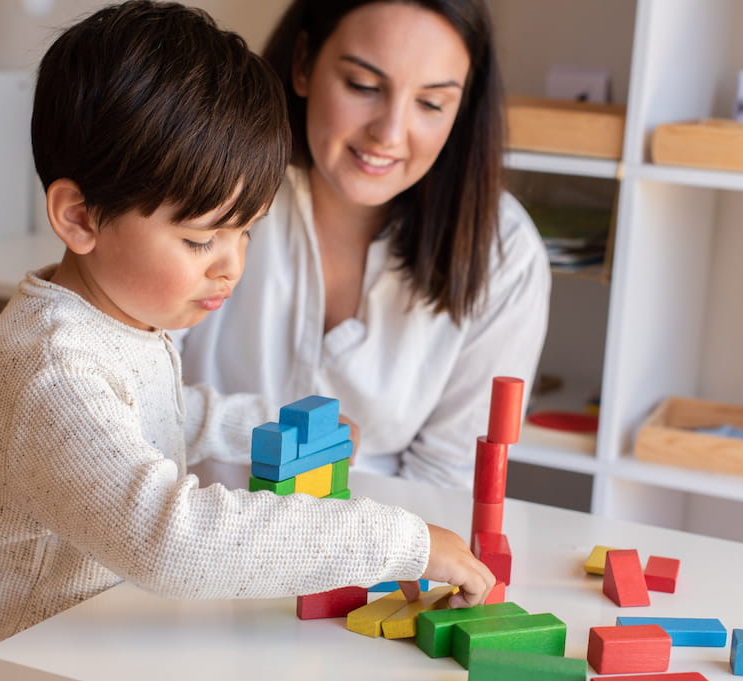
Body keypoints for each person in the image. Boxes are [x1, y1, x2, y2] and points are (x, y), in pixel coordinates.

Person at [0, 0, 549, 667]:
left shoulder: (123, 320)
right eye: (202, 239)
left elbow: (164, 409)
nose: (231, 265)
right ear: (78, 216)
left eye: (246, 232)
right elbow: (168, 537)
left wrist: (266, 424)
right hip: (22, 676)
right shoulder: (56, 363)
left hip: (102, 635)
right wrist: (396, 540)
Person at [177, 0, 550, 490]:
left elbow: (447, 477)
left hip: (375, 552)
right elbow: (130, 390)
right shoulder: (207, 181)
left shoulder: (504, 253)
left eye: (431, 103)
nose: (390, 134)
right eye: (364, 86)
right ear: (304, 63)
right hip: (188, 535)